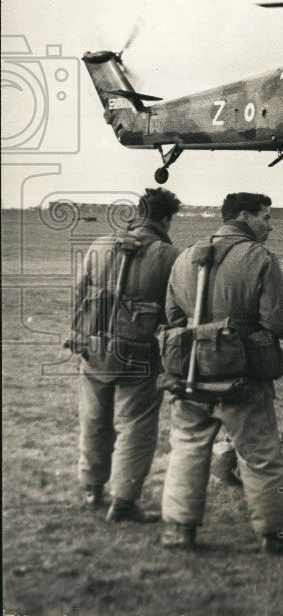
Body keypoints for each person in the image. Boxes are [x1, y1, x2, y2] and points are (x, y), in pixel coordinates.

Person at [159, 193, 283, 554]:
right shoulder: (260, 258)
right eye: (265, 217)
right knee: (260, 453)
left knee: (187, 448)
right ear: (244, 217)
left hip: (189, 372)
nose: (269, 225)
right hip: (244, 376)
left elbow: (173, 317)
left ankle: (179, 531)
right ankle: (271, 535)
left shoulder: (186, 256)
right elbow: (281, 322)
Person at [68, 187, 182, 522]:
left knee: (93, 420)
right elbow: (174, 312)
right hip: (139, 354)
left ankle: (92, 488)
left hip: (94, 348)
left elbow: (80, 292)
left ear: (139, 210)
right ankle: (124, 500)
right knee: (137, 425)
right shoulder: (168, 255)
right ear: (165, 218)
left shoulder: (99, 245)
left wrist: (81, 335)